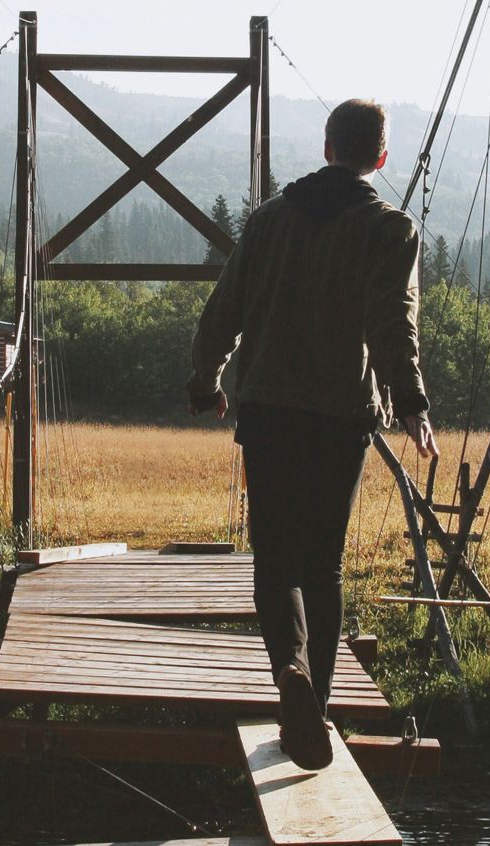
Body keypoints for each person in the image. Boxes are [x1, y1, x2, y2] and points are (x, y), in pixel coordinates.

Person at [186, 98, 437, 770]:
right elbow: (392, 323)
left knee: (274, 559)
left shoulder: (269, 221)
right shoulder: (391, 228)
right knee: (322, 565)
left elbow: (223, 312)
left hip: (266, 409)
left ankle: (288, 674)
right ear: (379, 157)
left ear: (327, 146)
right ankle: (315, 711)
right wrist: (412, 403)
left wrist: (206, 383)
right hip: (339, 417)